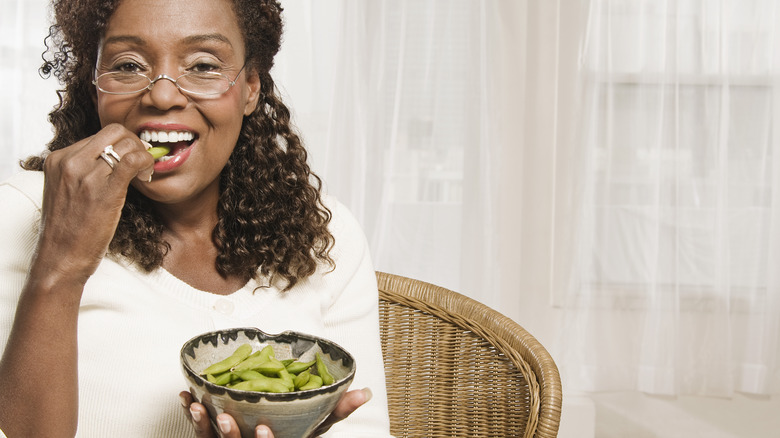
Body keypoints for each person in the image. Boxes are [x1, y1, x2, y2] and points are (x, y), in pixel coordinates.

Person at [0, 0, 393, 436]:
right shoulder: (21, 214)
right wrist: (61, 265)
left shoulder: (328, 237)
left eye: (203, 65)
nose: (163, 95)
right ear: (95, 87)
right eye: (128, 65)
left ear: (249, 88)